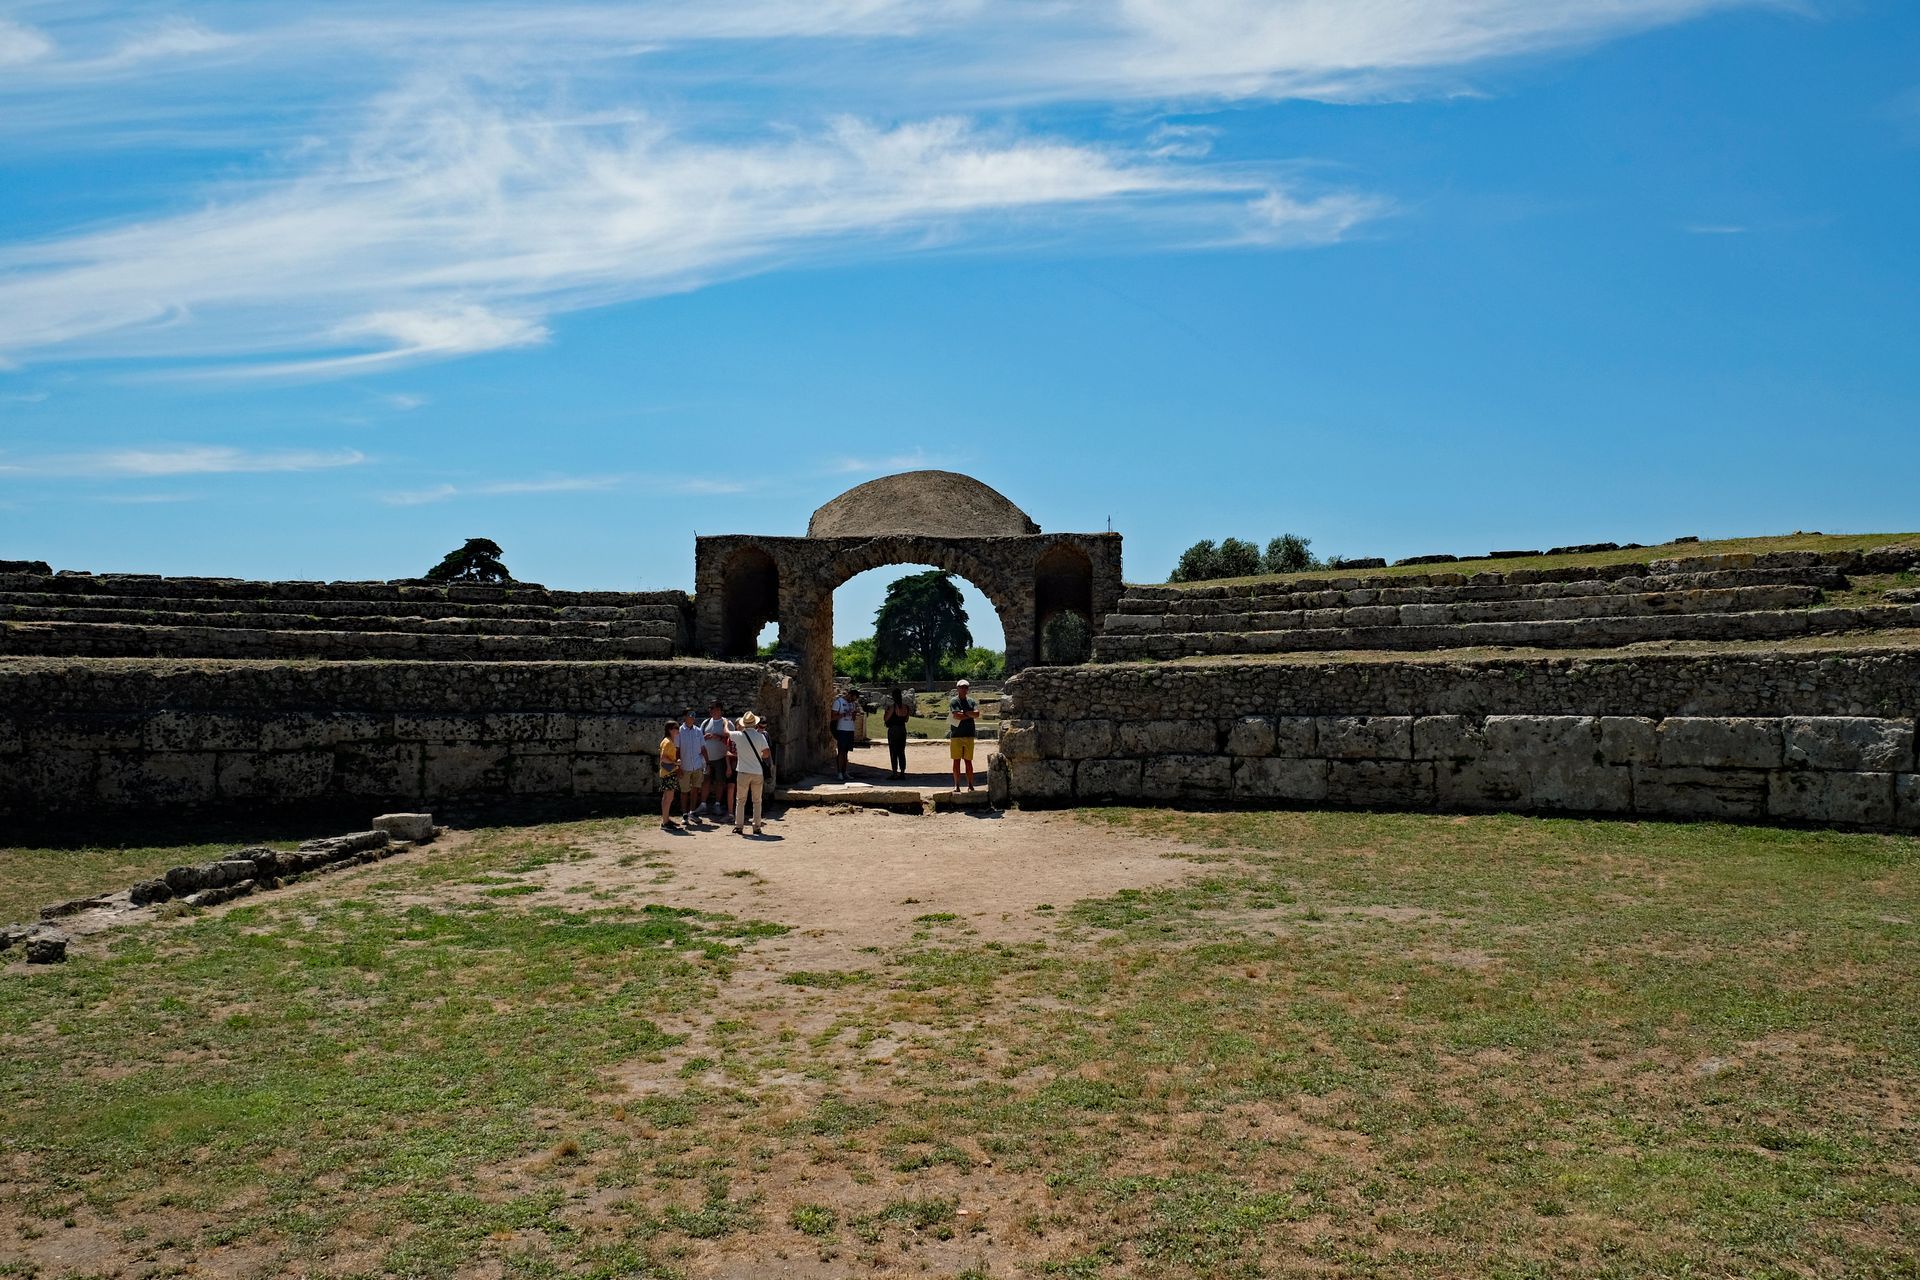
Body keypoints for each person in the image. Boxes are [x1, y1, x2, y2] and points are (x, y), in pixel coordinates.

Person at [728, 711, 773, 835]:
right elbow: (767, 753)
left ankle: (739, 826)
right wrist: (758, 755)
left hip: (742, 771)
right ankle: (756, 826)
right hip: (757, 772)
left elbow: (725, 733)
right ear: (755, 724)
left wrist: (725, 723)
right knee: (757, 801)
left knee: (740, 800)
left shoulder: (738, 735)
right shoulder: (760, 736)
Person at [701, 699, 734, 818]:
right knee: (706, 781)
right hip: (707, 758)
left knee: (720, 782)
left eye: (712, 708)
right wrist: (704, 737)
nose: (710, 710)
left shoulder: (728, 724)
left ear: (719, 710)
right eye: (709, 708)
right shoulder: (705, 723)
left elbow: (732, 741)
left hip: (721, 758)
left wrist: (719, 738)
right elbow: (700, 740)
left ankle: (717, 804)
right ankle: (703, 804)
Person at [674, 709, 709, 825]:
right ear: (685, 716)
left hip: (697, 765)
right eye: (690, 715)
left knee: (695, 790)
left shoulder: (698, 731)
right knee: (684, 791)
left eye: (694, 715)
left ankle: (692, 812)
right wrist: (678, 767)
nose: (693, 717)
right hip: (685, 766)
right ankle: (684, 814)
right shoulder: (679, 731)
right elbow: (677, 750)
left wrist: (707, 762)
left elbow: (703, 748)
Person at [948, 677, 979, 792]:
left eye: (966, 687)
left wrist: (964, 714)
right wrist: (969, 714)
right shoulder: (954, 701)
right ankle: (956, 785)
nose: (964, 689)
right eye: (961, 687)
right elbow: (956, 716)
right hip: (956, 735)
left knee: (968, 761)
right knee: (956, 761)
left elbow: (977, 714)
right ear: (957, 688)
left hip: (969, 734)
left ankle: (970, 785)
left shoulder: (971, 701)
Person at [657, 719, 684, 830]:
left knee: (667, 797)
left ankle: (666, 819)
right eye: (675, 728)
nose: (678, 730)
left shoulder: (668, 741)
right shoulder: (668, 742)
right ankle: (665, 822)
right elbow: (663, 758)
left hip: (668, 772)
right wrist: (675, 763)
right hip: (668, 773)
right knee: (668, 797)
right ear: (670, 730)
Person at [829, 686, 858, 781]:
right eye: (852, 699)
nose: (852, 701)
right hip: (841, 730)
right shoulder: (838, 702)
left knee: (846, 752)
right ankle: (839, 772)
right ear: (849, 695)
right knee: (841, 751)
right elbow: (832, 717)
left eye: (854, 700)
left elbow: (853, 718)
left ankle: (845, 771)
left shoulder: (853, 704)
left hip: (850, 729)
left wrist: (854, 715)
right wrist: (843, 714)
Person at [882, 687, 911, 777]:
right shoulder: (906, 707)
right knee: (901, 751)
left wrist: (886, 712)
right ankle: (902, 772)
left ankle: (894, 772)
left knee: (893, 751)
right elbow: (906, 720)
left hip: (893, 730)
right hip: (902, 729)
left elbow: (886, 718)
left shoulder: (892, 707)